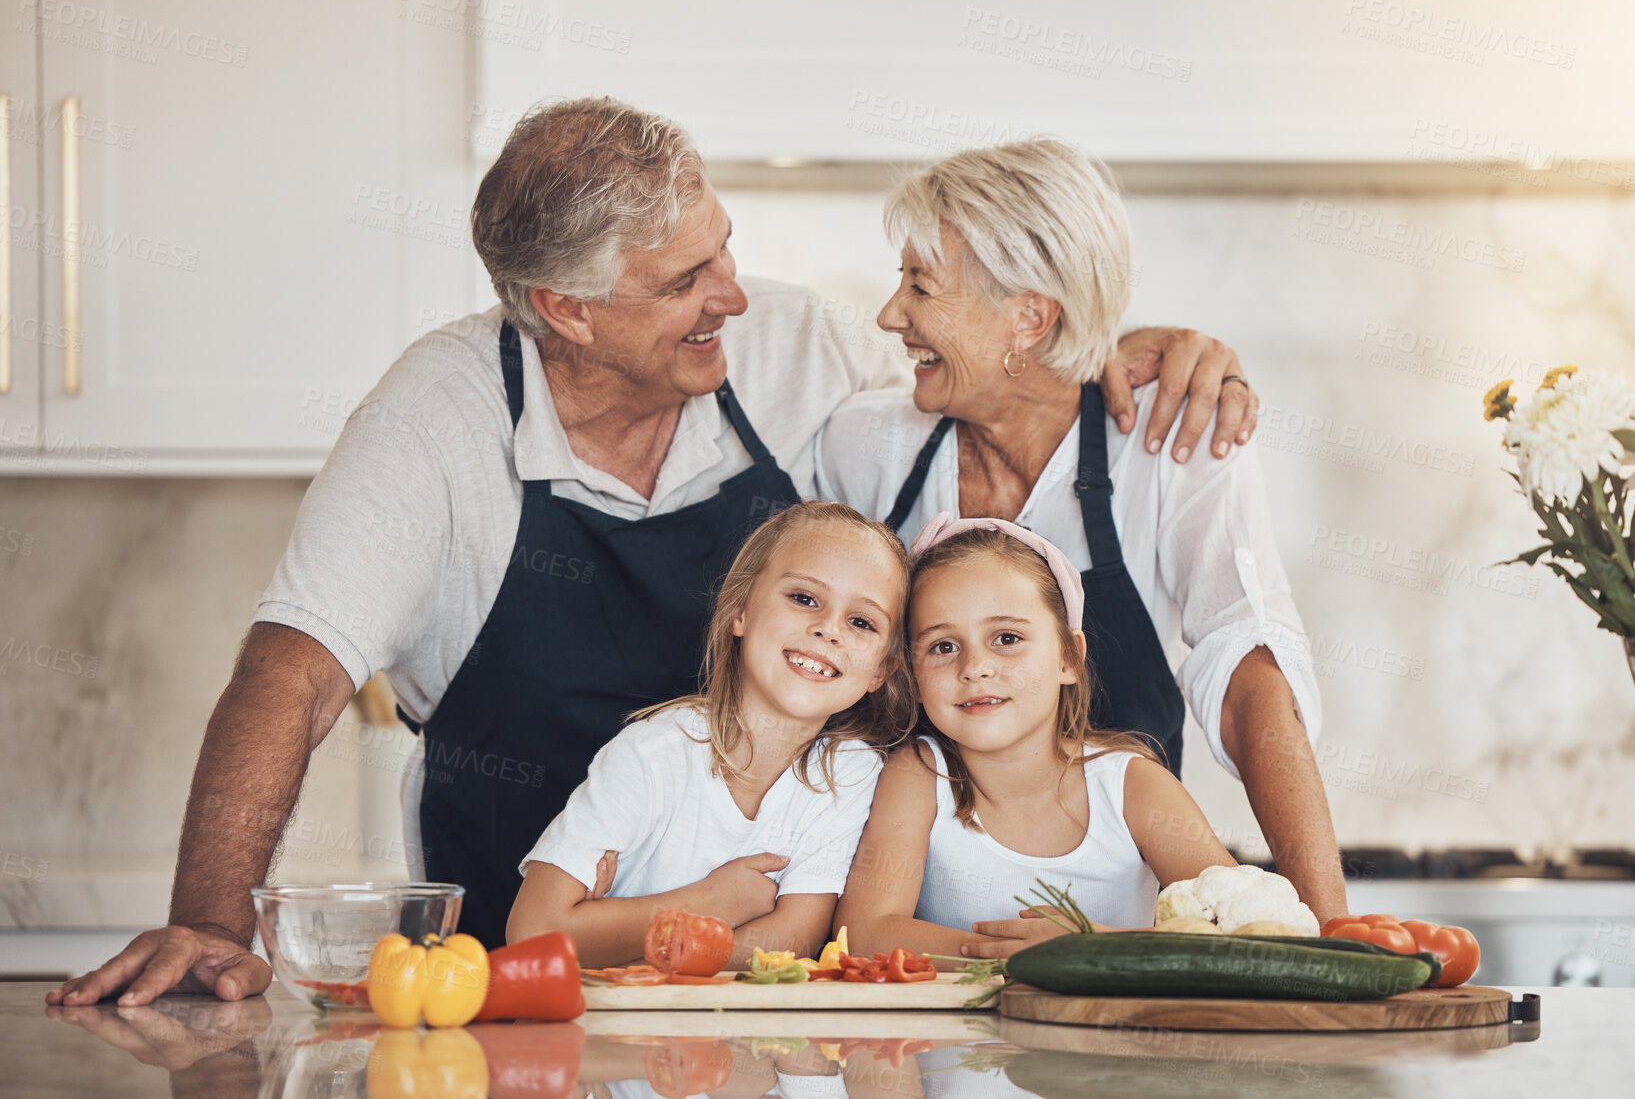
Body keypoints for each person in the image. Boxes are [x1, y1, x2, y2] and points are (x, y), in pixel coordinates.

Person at [49, 96, 1261, 1007]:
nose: (733, 294)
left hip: (766, 1002)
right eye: (686, 279)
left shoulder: (791, 352)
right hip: (511, 991)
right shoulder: (436, 421)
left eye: (723, 248)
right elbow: (290, 672)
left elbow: (995, 363)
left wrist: (1122, 346)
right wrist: (210, 922)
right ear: (565, 310)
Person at [818, 138, 1346, 921]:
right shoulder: (863, 447)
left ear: (1028, 316)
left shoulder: (1171, 440)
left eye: (920, 286)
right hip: (909, 951)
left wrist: (1327, 926)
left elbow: (1249, 680)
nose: (891, 315)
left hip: (1119, 954)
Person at [506, 501, 913, 966]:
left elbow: (795, 938)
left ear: (883, 668)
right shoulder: (650, 754)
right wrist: (716, 901)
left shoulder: (851, 773)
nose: (827, 629)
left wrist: (618, 938)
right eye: (804, 598)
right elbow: (534, 933)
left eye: (861, 622)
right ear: (740, 610)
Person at [836, 516, 1235, 960]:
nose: (975, 667)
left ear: (1069, 657)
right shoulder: (918, 773)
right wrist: (1027, 956)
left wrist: (1090, 950)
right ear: (912, 671)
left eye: (1006, 638)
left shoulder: (1134, 787)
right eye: (943, 646)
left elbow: (1240, 930)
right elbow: (865, 934)